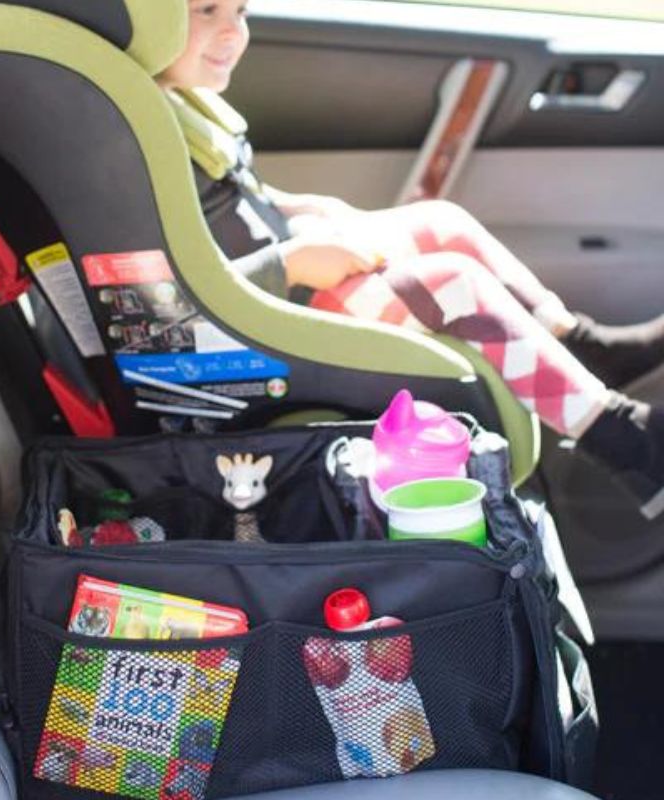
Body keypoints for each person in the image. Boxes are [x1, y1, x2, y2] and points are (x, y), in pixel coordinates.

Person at [156, 0, 664, 518]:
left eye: (240, 11)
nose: (231, 32)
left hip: (284, 276)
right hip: (258, 316)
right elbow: (172, 286)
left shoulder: (179, 104)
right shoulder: (140, 134)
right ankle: (624, 439)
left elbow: (233, 199)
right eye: (206, 11)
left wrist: (299, 207)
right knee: (453, 285)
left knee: (442, 222)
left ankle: (579, 346)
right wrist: (291, 263)